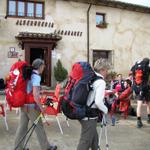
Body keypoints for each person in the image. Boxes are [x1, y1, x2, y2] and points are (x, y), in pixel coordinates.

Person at [14, 58, 57, 150]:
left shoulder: (27, 74)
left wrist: (40, 90)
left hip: (23, 105)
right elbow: (35, 95)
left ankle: (18, 148)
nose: (44, 67)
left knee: (22, 127)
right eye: (44, 66)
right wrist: (41, 108)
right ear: (40, 66)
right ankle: (46, 147)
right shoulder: (36, 76)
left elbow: (28, 90)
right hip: (32, 107)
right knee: (39, 127)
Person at [77, 58, 111, 150]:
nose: (107, 72)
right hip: (89, 116)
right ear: (102, 69)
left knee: (94, 139)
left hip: (82, 111)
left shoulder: (91, 76)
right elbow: (98, 102)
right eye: (107, 70)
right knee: (85, 142)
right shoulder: (100, 82)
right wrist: (106, 110)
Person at [131, 58, 150, 128]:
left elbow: (131, 73)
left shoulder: (135, 66)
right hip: (145, 87)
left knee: (139, 105)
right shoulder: (147, 67)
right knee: (148, 103)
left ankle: (139, 122)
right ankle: (149, 118)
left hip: (137, 88)